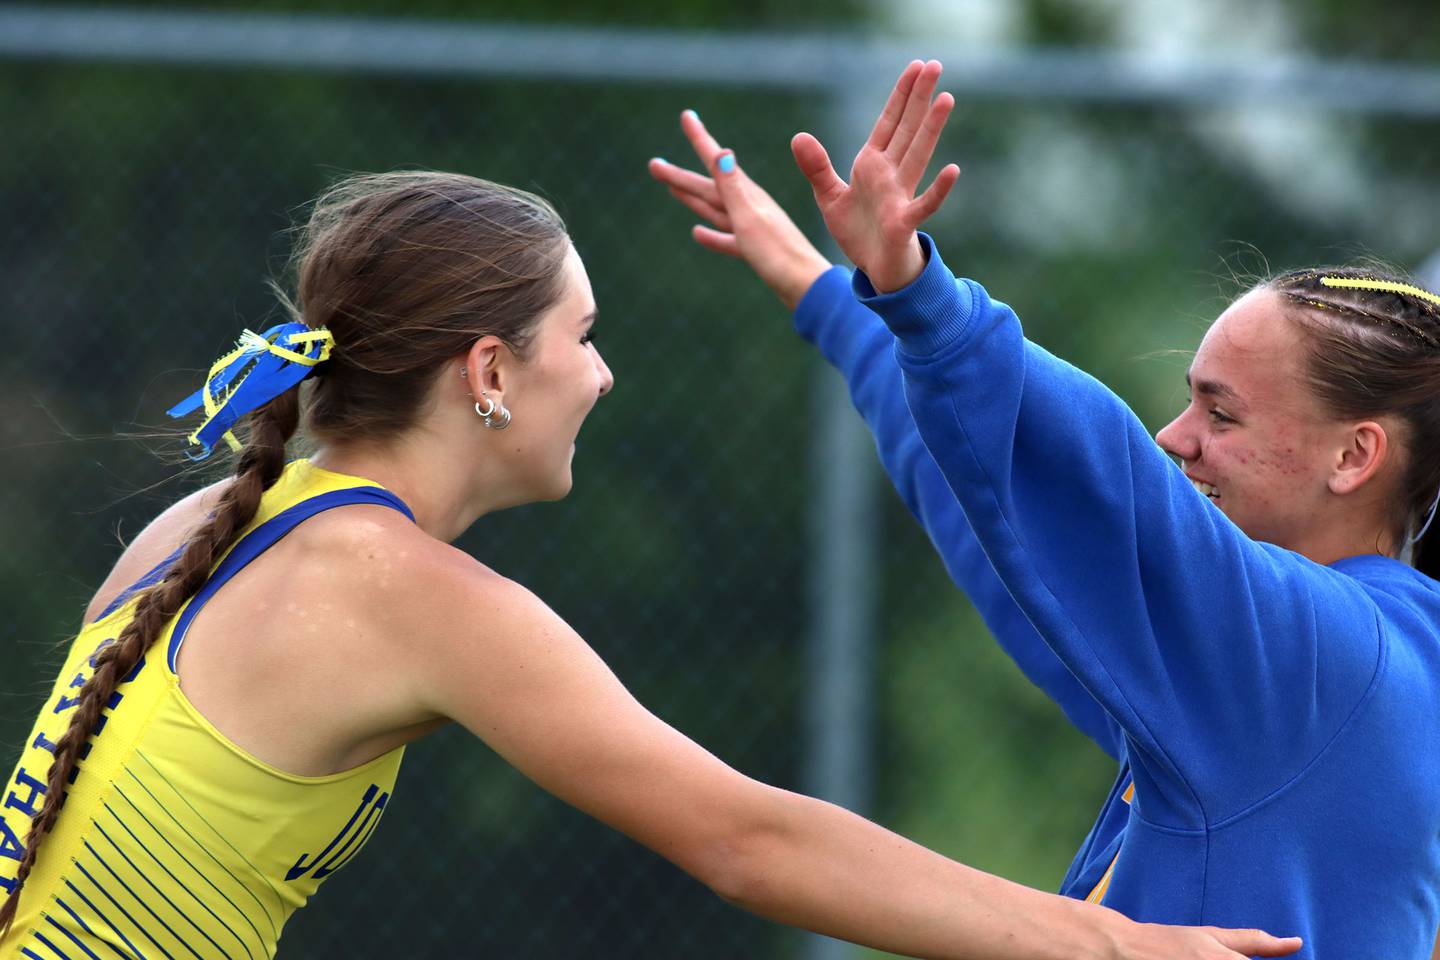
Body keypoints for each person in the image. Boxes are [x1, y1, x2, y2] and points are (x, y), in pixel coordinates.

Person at [0, 166, 1303, 960]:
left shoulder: (224, 516)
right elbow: (746, 839)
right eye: (586, 333)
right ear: (492, 375)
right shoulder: (404, 595)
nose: (606, 373)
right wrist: (1107, 943)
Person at [651, 58, 1440, 958]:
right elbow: (1010, 538)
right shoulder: (1357, 659)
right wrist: (828, 291)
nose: (1173, 438)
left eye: (1221, 413)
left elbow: (1098, 475)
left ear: (1355, 455)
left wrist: (922, 297)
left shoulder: (1309, 663)